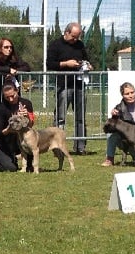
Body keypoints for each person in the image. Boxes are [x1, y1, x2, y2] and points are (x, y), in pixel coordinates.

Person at [46, 22, 93, 155]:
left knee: (80, 117)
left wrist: (88, 65)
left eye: (77, 37)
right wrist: (66, 64)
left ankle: (80, 146)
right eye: (73, 36)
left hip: (79, 84)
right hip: (63, 85)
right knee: (60, 117)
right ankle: (57, 146)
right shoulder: (55, 44)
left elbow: (86, 59)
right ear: (66, 33)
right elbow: (50, 64)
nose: (75, 40)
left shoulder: (80, 45)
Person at [101, 82, 135, 167]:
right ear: (122, 95)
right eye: (127, 94)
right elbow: (113, 126)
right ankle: (109, 159)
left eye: (132, 92)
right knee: (111, 136)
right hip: (125, 139)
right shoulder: (119, 108)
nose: (130, 95)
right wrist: (114, 116)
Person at [0, 38, 31, 130]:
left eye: (10, 47)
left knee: (12, 115)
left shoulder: (14, 58)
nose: (9, 49)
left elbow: (27, 67)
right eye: (6, 47)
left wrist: (15, 72)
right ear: (0, 48)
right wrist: (8, 70)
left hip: (11, 93)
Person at [0, 81, 34, 172]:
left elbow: (31, 125)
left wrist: (27, 116)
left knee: (29, 169)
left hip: (20, 139)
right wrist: (9, 129)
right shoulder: (1, 108)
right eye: (7, 97)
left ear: (17, 91)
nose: (10, 99)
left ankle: (21, 160)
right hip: (2, 141)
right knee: (12, 168)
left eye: (12, 96)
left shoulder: (26, 103)